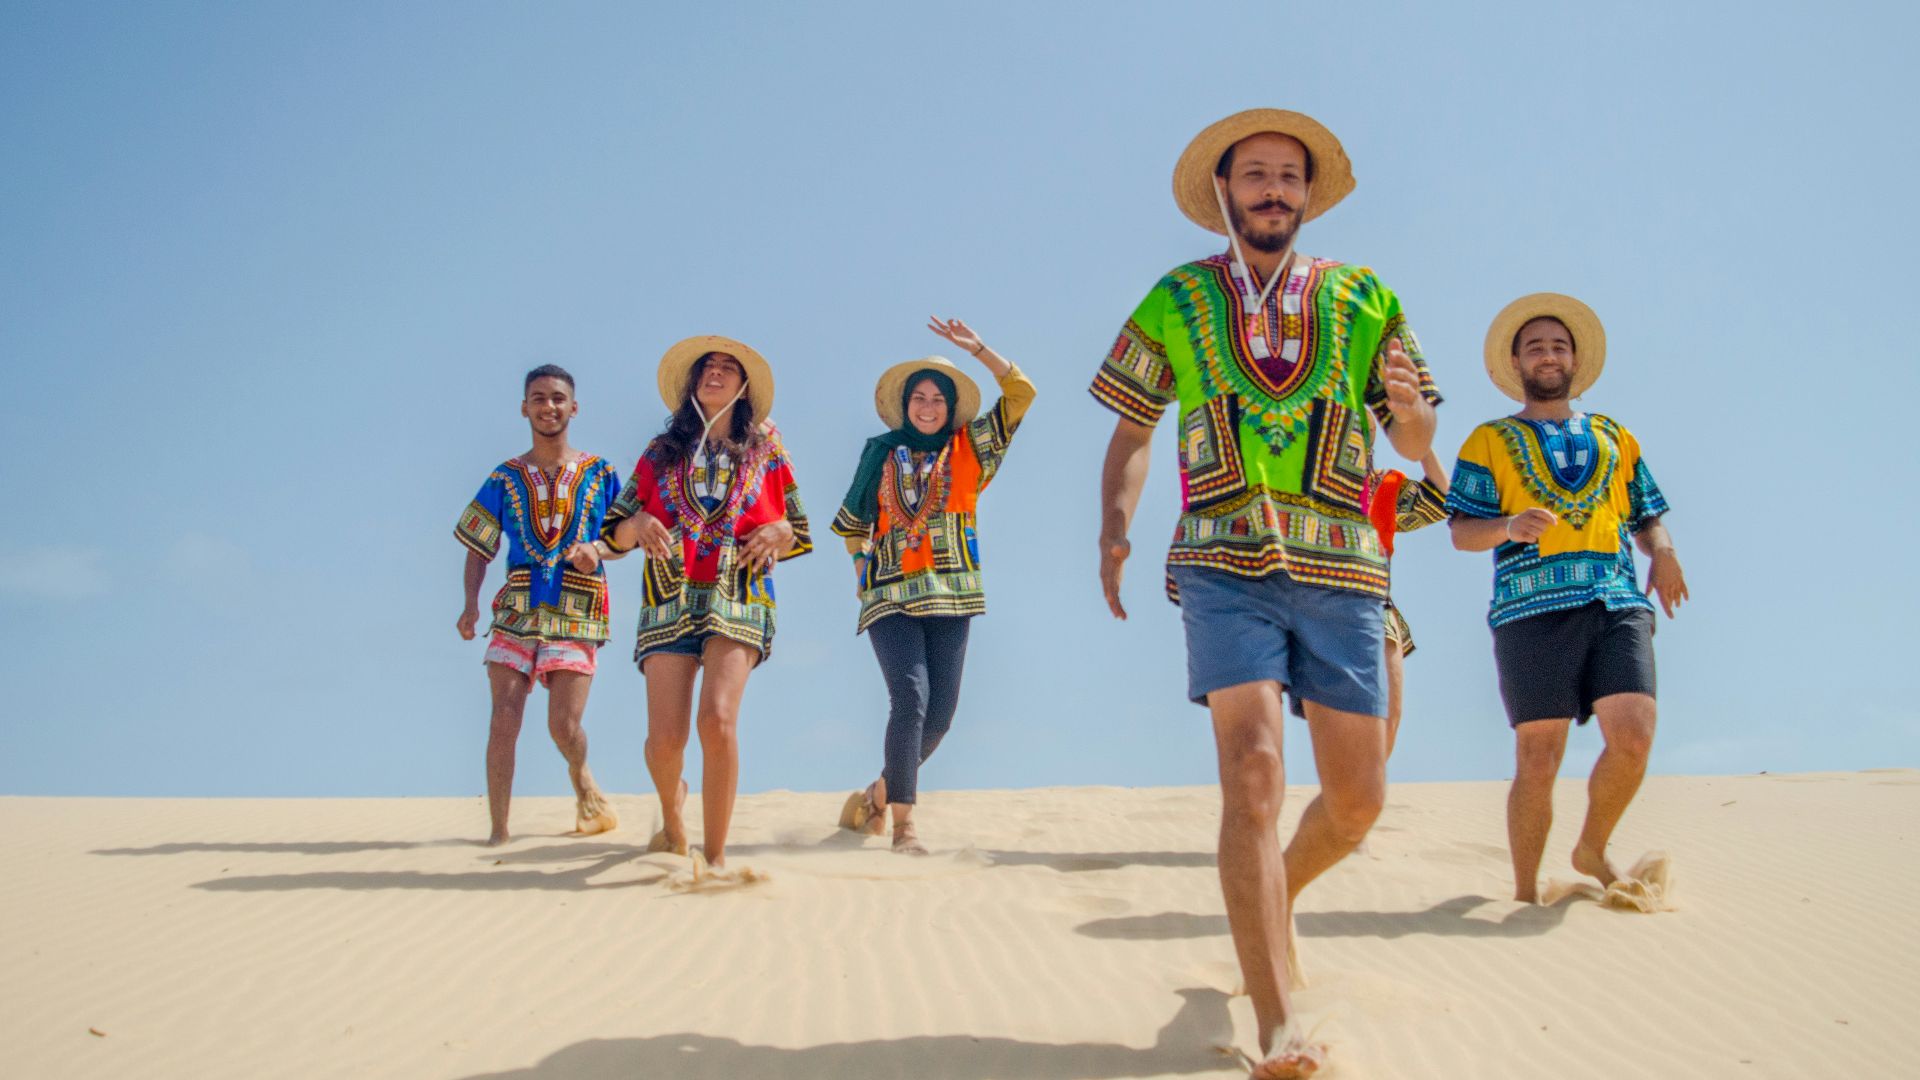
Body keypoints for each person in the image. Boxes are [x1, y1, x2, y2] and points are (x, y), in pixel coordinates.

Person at [1091, 109, 1441, 1078]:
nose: (1273, 189)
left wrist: (1411, 420)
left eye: (1290, 175)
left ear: (1308, 193)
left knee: (1359, 800)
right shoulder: (1178, 295)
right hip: (1221, 556)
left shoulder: (1368, 297)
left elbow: (1415, 447)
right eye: (1255, 174)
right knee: (1251, 772)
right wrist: (1116, 524)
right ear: (1224, 191)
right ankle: (1280, 1026)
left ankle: (1272, 895)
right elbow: (1132, 426)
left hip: (1343, 568)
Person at [1447, 293, 1688, 902]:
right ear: (1517, 364)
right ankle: (1526, 894)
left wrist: (1661, 550)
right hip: (1529, 611)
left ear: (1576, 359)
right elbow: (1460, 532)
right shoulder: (1489, 440)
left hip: (1615, 598)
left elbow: (1647, 513)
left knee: (1634, 734)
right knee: (1540, 755)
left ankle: (1590, 846)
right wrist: (1507, 527)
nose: (1548, 355)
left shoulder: (1615, 435)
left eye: (1558, 345)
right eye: (1535, 347)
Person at [602, 336, 811, 871]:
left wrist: (781, 530)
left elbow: (798, 527)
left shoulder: (768, 447)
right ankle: (674, 819)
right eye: (707, 366)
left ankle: (715, 861)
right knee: (665, 741)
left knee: (717, 721)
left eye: (727, 367)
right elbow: (613, 534)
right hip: (669, 596)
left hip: (738, 593)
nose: (715, 373)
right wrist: (638, 523)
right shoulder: (660, 450)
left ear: (744, 386)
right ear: (692, 381)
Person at [830, 317, 1037, 854]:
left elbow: (1021, 394)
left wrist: (981, 351)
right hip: (889, 593)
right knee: (911, 699)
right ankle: (905, 827)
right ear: (905, 404)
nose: (927, 407)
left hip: (954, 594)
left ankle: (878, 793)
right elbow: (853, 523)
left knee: (941, 716)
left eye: (937, 399)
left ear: (950, 407)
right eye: (918, 398)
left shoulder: (972, 449)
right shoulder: (879, 451)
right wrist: (859, 569)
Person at [454, 364, 622, 846]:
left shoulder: (601, 472)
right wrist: (470, 603)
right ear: (524, 407)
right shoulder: (505, 477)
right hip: (517, 605)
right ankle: (498, 833)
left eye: (557, 398)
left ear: (574, 407)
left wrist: (599, 550)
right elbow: (478, 544)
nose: (548, 406)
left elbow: (625, 534)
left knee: (563, 725)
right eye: (538, 398)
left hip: (577, 605)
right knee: (504, 718)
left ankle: (582, 774)